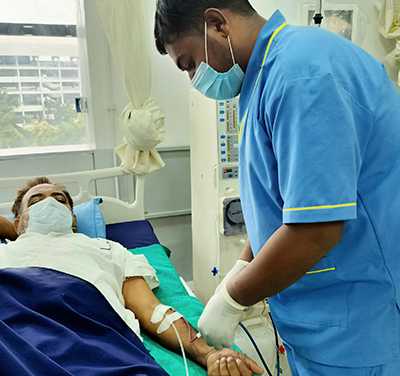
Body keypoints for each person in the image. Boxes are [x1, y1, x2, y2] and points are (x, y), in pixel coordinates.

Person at [154, 0, 400, 375]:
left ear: (218, 24)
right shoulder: (267, 78)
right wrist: (241, 267)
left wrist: (234, 299)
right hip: (323, 321)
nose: (194, 79)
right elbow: (284, 202)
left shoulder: (301, 73)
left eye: (189, 63)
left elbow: (315, 228)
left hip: (361, 325)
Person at [0, 177, 263, 376]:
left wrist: (208, 355)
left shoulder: (110, 249)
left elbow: (151, 310)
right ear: (16, 222)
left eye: (59, 199)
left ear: (73, 217)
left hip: (90, 331)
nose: (49, 202)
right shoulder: (6, 250)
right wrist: (20, 234)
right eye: (36, 202)